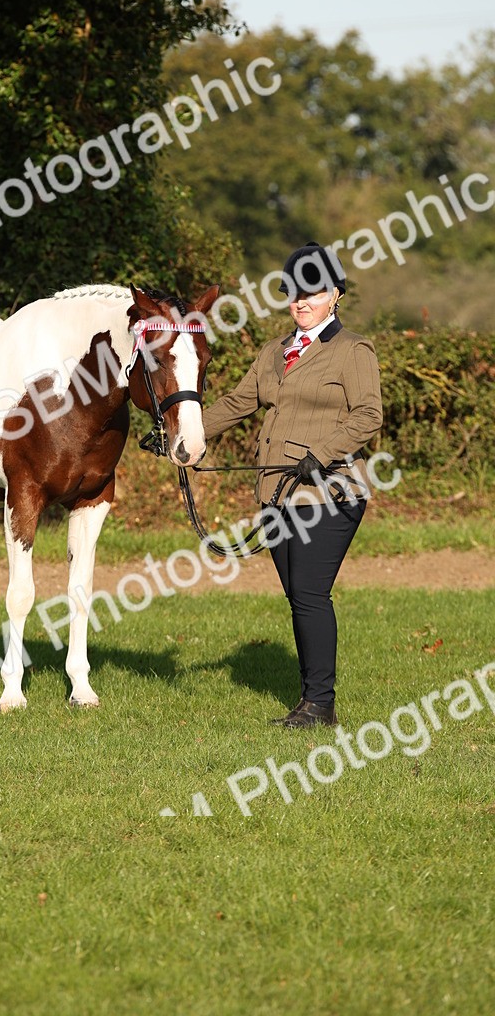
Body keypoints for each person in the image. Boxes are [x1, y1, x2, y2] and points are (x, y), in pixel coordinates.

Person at [202, 242, 383, 728]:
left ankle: (320, 705)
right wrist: (185, 436)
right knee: (297, 594)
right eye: (293, 294)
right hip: (275, 492)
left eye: (313, 293)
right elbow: (238, 402)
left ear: (335, 296)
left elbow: (369, 416)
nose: (301, 302)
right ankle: (313, 699)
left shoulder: (352, 351)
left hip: (330, 489)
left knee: (308, 591)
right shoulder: (275, 351)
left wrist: (320, 455)